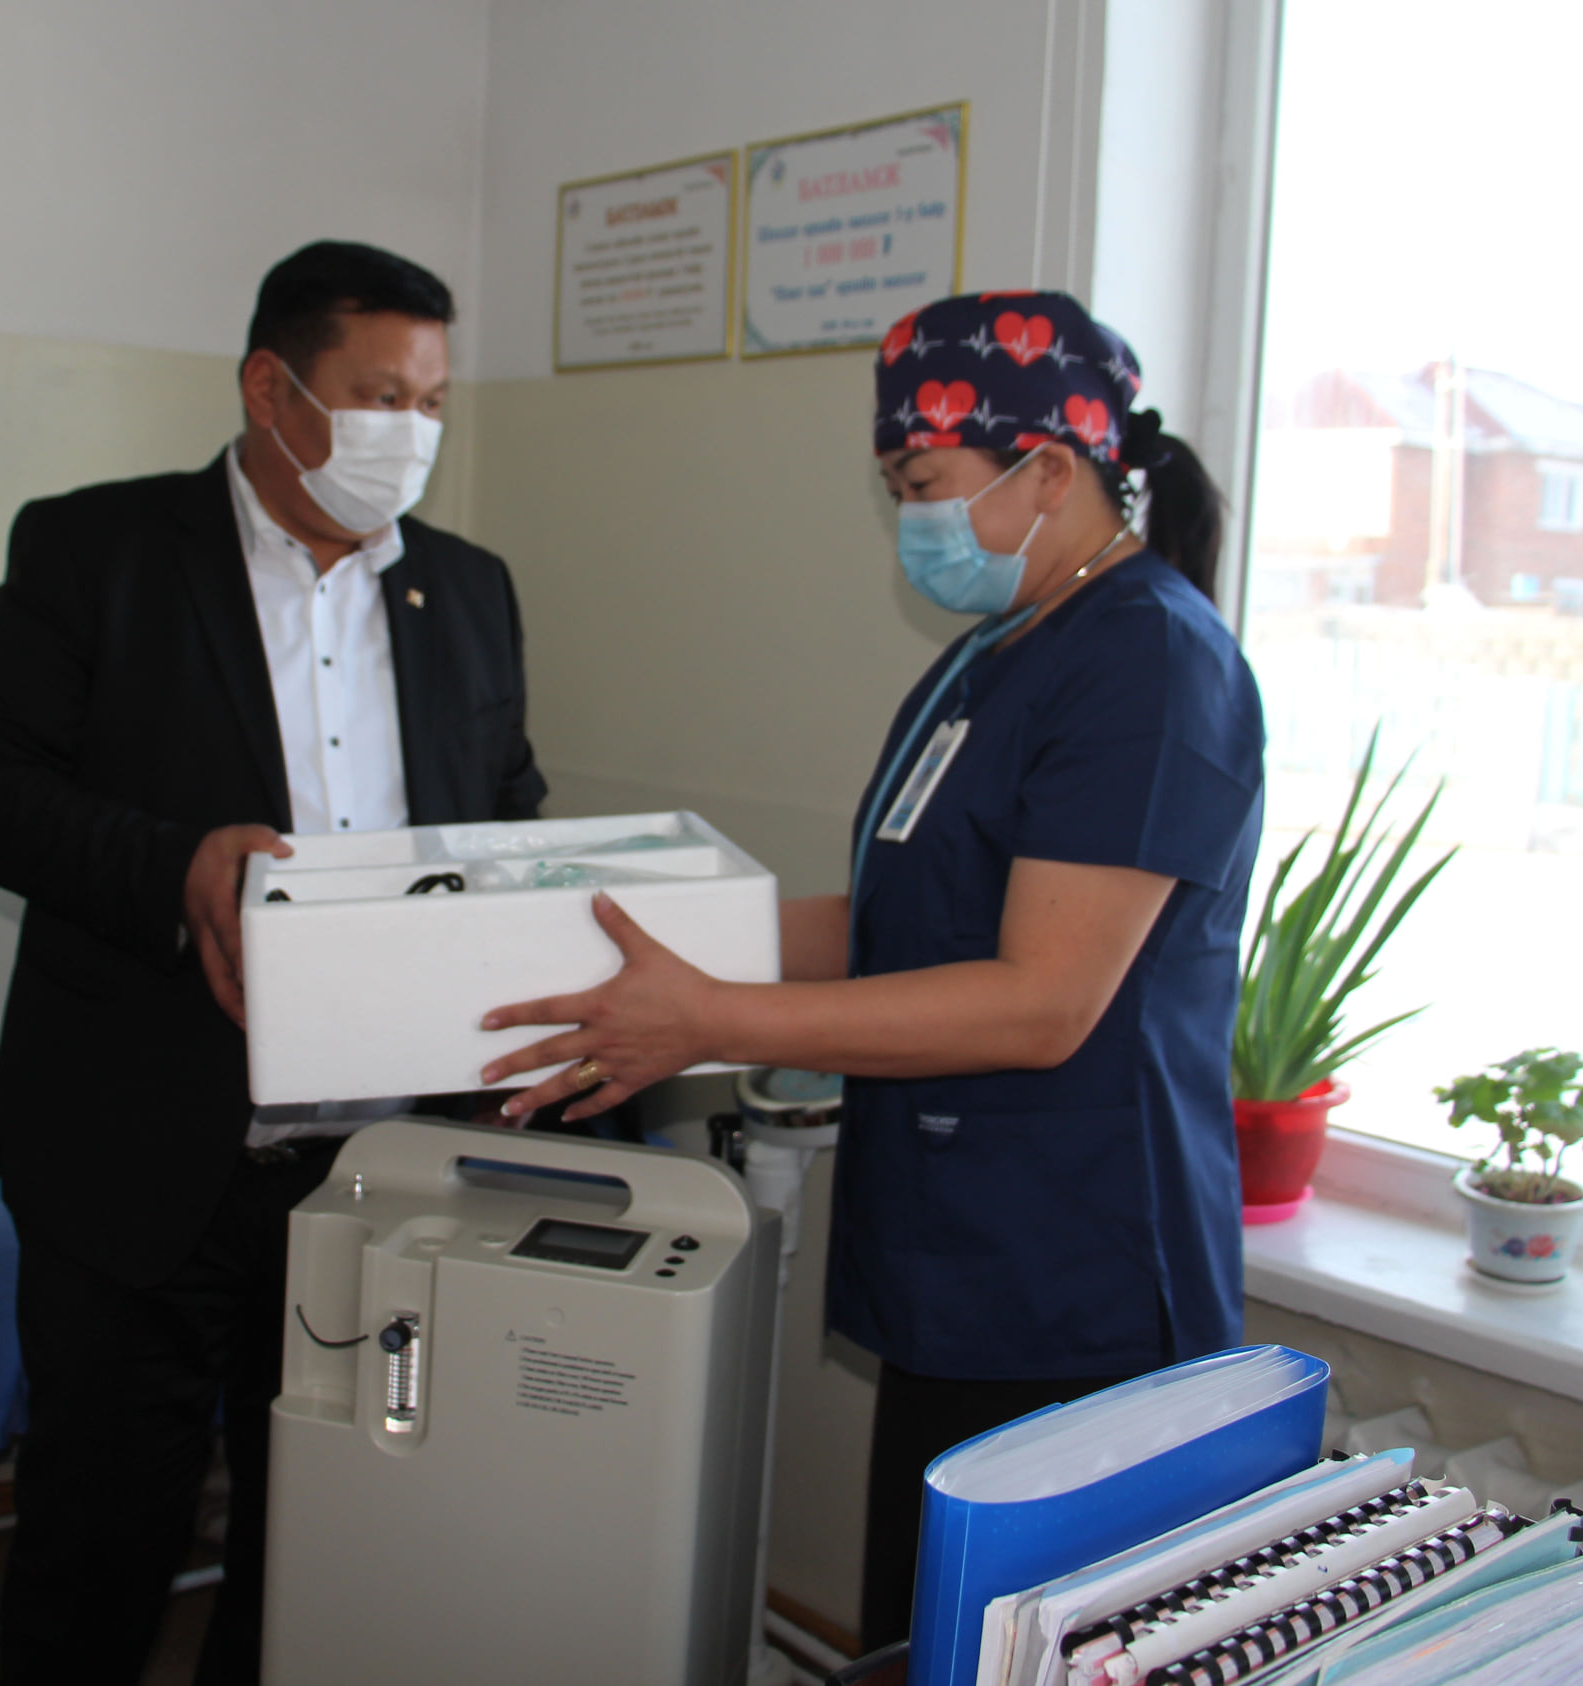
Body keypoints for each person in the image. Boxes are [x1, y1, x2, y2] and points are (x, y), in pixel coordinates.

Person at [476, 290, 1264, 1650]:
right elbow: (904, 918)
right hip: (960, 1248)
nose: (911, 519)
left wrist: (712, 1019)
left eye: (924, 483)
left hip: (1072, 1271)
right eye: (898, 488)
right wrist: (642, 941)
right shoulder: (991, 655)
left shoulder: (1150, 662)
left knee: (1026, 1649)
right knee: (926, 1631)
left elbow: (1041, 1001)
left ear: (1048, 469)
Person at [0, 240, 546, 1684]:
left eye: (433, 401)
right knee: (99, 1546)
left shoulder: (466, 589)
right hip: (141, 1153)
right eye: (378, 396)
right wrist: (175, 866)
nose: (413, 433)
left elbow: (504, 810)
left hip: (380, 1174)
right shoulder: (97, 550)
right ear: (271, 388)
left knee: (323, 1552)